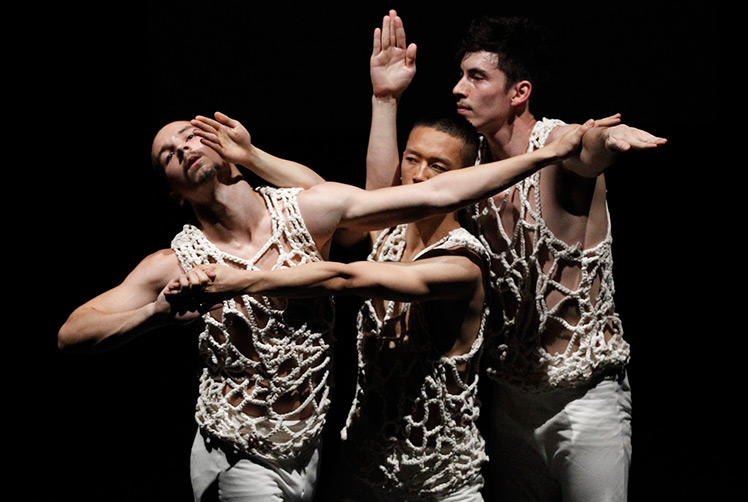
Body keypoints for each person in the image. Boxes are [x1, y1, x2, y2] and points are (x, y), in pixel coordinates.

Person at [58, 101, 597, 499]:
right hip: (239, 453)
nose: (181, 149)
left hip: (312, 455)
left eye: (188, 136)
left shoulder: (305, 214)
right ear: (174, 190)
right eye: (167, 156)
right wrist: (157, 314)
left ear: (224, 149)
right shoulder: (177, 261)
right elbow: (73, 333)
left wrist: (547, 155)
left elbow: (436, 194)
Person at [364, 11, 667, 502]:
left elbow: (584, 149)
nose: (458, 89)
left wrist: (607, 140)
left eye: (476, 77)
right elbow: (379, 211)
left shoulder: (553, 144)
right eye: (461, 75)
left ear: (518, 92)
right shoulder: (474, 167)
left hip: (584, 400)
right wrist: (385, 99)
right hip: (507, 399)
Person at [171, 110, 490, 501]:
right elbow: (327, 192)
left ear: (464, 176)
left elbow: (345, 278)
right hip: (363, 468)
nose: (419, 176)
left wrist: (245, 280)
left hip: (441, 482)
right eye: (411, 159)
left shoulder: (463, 263)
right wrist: (251, 155)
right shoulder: (385, 237)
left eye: (438, 166)